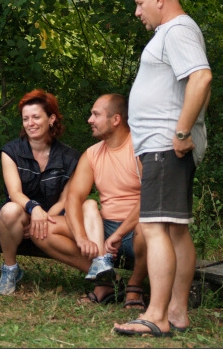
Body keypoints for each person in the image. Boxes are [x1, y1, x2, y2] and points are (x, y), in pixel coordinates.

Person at [114, 0, 212, 337]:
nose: (137, 11)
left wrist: (182, 132)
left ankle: (156, 315)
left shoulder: (177, 30)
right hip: (162, 146)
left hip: (165, 146)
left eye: (140, 3)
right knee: (173, 231)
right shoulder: (170, 34)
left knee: (154, 229)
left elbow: (201, 78)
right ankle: (177, 311)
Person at [31, 93, 148, 308]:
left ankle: (134, 287)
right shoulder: (92, 154)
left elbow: (150, 196)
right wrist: (82, 237)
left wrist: (120, 234)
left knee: (150, 227)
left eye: (95, 114)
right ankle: (106, 280)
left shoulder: (140, 148)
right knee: (42, 229)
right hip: (104, 228)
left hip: (136, 230)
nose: (89, 120)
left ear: (115, 119)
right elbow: (74, 198)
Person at [0, 89, 81, 295]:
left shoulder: (70, 157)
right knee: (9, 210)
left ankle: (96, 268)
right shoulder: (11, 151)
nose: (30, 123)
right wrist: (34, 210)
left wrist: (43, 220)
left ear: (51, 119)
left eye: (35, 117)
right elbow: (14, 193)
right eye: (25, 118)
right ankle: (10, 269)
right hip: (22, 213)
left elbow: (65, 199)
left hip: (54, 220)